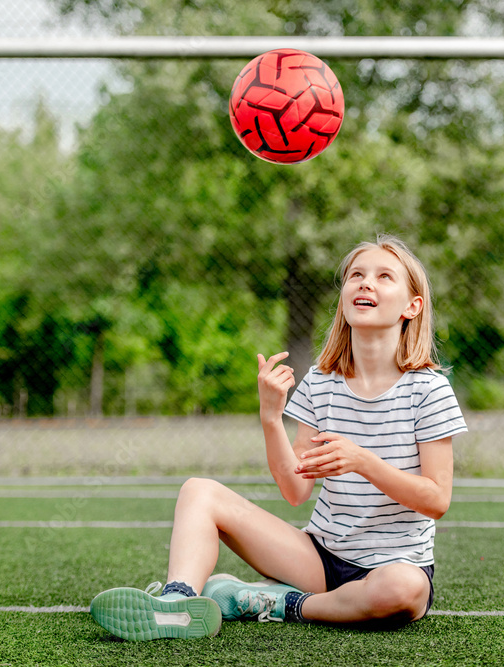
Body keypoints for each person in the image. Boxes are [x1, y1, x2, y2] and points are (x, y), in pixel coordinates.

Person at [89, 234, 467, 640]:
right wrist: (271, 417)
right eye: (356, 274)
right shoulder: (322, 383)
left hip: (394, 567)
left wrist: (363, 462)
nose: (365, 282)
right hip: (318, 560)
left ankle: (277, 603)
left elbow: (436, 499)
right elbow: (295, 491)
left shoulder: (428, 390)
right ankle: (175, 604)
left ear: (412, 306)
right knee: (199, 490)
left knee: (402, 591)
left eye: (384, 276)